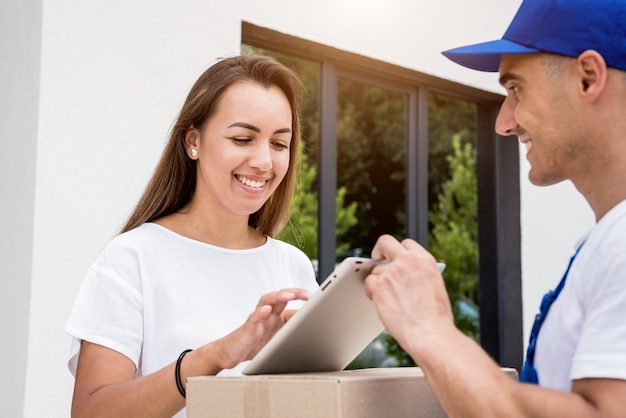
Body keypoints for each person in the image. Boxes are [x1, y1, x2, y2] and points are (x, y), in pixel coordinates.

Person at [364, 0, 626, 416]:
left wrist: (429, 328)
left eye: (516, 89)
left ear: (588, 78)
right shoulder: (605, 241)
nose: (503, 122)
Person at [65, 54, 319, 418]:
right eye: (243, 138)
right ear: (193, 141)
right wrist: (212, 357)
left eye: (279, 144)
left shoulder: (292, 266)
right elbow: (90, 412)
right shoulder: (132, 258)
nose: (264, 162)